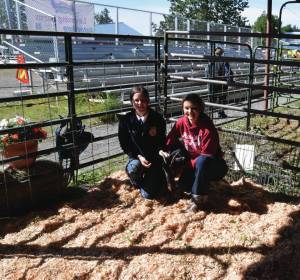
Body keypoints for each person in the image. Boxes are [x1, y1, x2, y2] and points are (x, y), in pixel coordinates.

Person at [161, 94, 228, 212]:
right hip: (193, 164)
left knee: (202, 162)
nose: (190, 111)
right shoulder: (181, 123)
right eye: (186, 108)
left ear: (200, 109)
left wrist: (186, 164)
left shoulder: (207, 128)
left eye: (194, 108)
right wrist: (163, 150)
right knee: (183, 187)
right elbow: (170, 139)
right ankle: (192, 186)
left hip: (213, 165)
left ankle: (198, 200)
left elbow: (207, 155)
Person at [118, 86, 167, 199]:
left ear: (148, 101)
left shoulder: (158, 119)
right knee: (133, 168)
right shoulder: (125, 121)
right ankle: (137, 182)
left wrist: (160, 150)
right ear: (132, 102)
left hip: (154, 159)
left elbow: (161, 140)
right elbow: (125, 144)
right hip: (137, 158)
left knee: (147, 195)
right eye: (137, 100)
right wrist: (138, 156)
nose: (140, 103)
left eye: (144, 100)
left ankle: (154, 179)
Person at [207, 47, 234, 118]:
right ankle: (220, 113)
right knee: (221, 98)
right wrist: (230, 79)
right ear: (222, 53)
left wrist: (208, 79)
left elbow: (207, 71)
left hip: (212, 81)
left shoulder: (211, 60)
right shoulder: (224, 60)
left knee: (212, 97)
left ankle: (210, 114)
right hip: (221, 81)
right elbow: (228, 71)